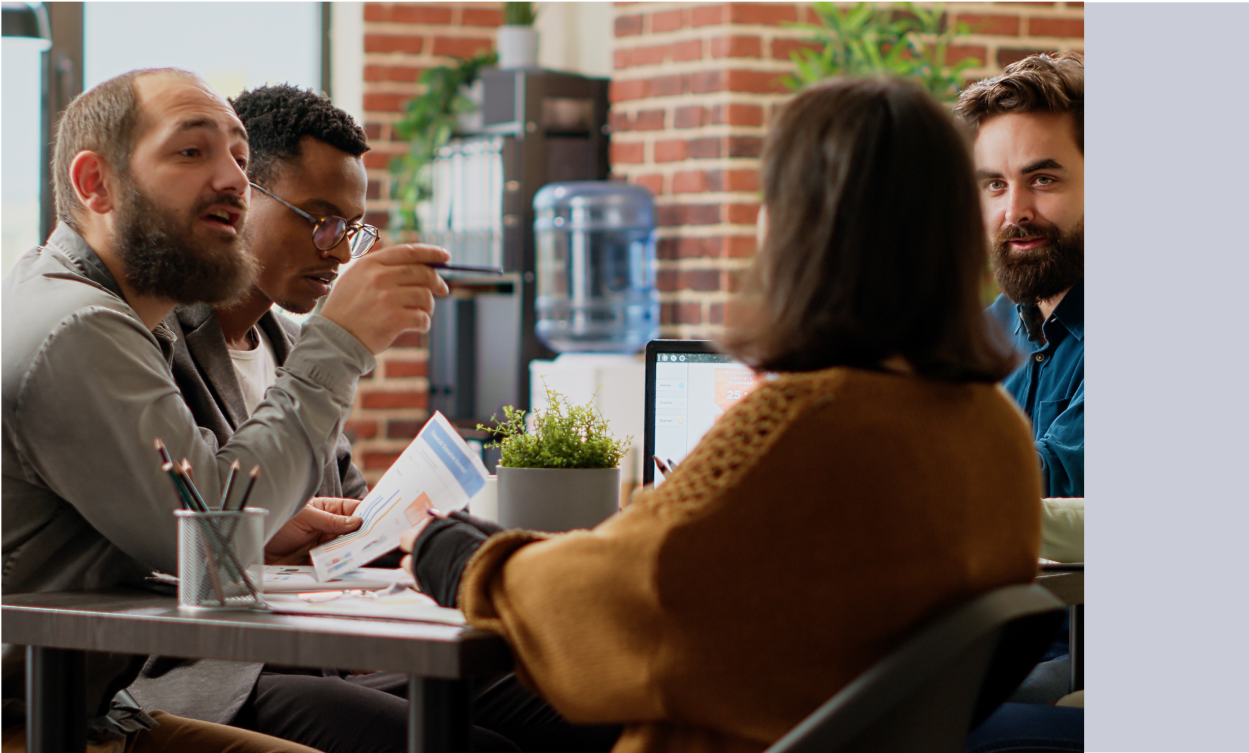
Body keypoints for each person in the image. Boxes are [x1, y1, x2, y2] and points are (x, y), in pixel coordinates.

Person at [401, 76, 1043, 753]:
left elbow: (631, 598)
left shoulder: (801, 428)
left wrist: (465, 560)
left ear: (797, 227)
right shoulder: (992, 429)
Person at [122, 83, 616, 753]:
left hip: (315, 651)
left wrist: (428, 535)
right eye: (316, 216)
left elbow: (352, 515)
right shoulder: (159, 344)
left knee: (579, 701)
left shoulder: (290, 348)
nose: (336, 248)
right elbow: (169, 525)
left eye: (350, 228)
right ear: (239, 195)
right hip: (213, 675)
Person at [1, 67, 450, 751]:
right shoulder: (77, 326)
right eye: (192, 151)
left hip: (88, 707)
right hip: (34, 718)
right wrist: (342, 340)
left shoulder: (107, 317)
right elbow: (216, 540)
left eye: (240, 157)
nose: (233, 178)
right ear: (96, 184)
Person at [956, 51, 1085, 500]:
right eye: (996, 184)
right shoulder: (985, 334)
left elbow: (1052, 479)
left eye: (1043, 179)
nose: (1015, 213)